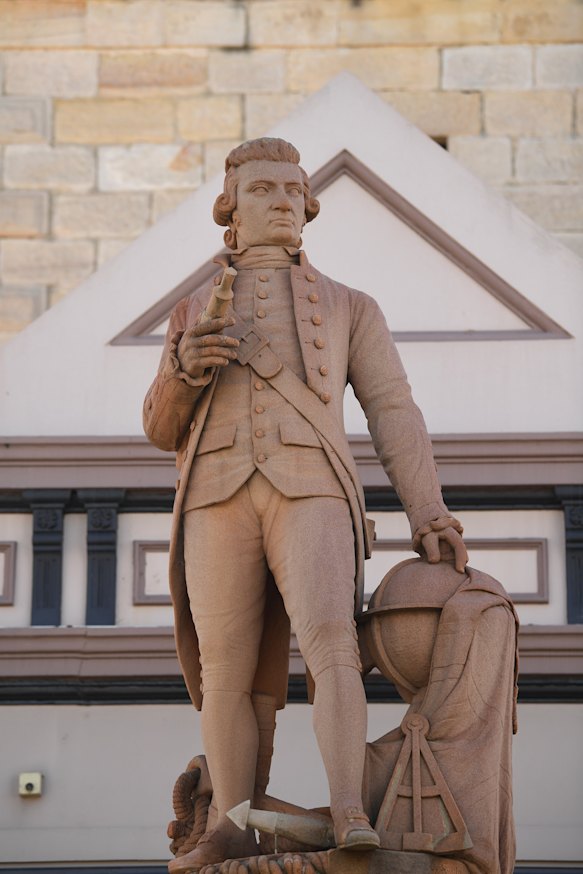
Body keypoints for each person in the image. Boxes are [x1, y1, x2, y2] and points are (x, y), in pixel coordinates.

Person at [143, 137, 467, 871]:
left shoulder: (352, 307)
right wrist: (184, 371)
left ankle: (348, 807)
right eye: (263, 189)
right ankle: (228, 822)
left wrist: (428, 512)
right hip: (214, 496)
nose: (284, 201)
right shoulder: (189, 310)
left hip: (313, 487)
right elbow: (161, 428)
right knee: (224, 671)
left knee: (332, 646)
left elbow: (392, 408)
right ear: (230, 210)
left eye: (293, 190)